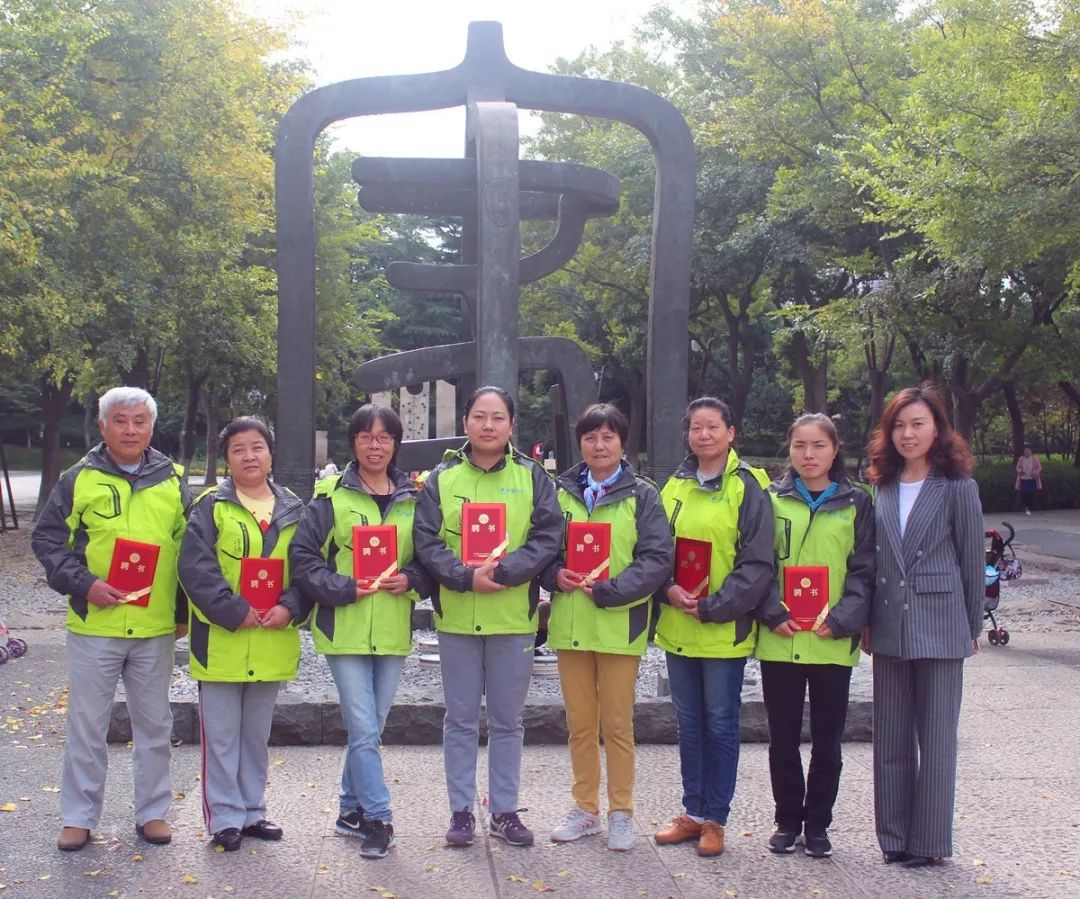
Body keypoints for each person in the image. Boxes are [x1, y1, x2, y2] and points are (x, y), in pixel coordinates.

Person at [31, 387, 190, 851]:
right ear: (103, 426)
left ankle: (154, 812)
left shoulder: (173, 480)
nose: (130, 429)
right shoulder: (78, 479)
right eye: (120, 420)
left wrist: (182, 614)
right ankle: (78, 817)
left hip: (155, 626)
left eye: (139, 421)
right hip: (94, 625)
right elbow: (46, 541)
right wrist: (84, 585)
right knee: (87, 724)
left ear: (151, 427)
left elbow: (190, 552)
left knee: (155, 724)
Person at [413, 386, 562, 850]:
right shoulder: (442, 478)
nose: (489, 426)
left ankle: (504, 810)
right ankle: (461, 811)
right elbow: (427, 541)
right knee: (458, 719)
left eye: (498, 418)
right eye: (480, 417)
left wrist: (508, 571)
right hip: (457, 617)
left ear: (511, 425)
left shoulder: (532, 477)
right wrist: (463, 577)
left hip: (513, 618)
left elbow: (548, 535)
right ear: (466, 423)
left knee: (507, 721)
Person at [291, 404, 431, 860]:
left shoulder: (414, 496)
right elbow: (304, 559)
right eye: (366, 437)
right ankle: (379, 817)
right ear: (352, 442)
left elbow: (429, 561)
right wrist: (345, 588)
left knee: (373, 727)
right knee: (365, 728)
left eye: (384, 437)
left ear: (395, 444)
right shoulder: (330, 497)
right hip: (344, 628)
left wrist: (411, 581)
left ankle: (348, 809)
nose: (375, 445)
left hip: (392, 629)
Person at [539, 404, 673, 851]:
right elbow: (541, 550)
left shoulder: (643, 495)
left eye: (608, 437)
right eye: (591, 437)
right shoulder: (559, 492)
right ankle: (584, 809)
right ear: (580, 443)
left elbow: (656, 559)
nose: (599, 445)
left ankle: (620, 811)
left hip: (620, 624)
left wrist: (610, 591)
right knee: (579, 723)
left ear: (622, 442)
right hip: (571, 623)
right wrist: (554, 575)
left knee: (617, 723)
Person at [865, 384, 984, 868]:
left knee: (936, 741)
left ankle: (930, 843)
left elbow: (972, 561)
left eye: (918, 424)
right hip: (889, 621)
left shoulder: (958, 488)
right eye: (899, 425)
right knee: (890, 737)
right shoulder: (881, 486)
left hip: (942, 624)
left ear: (938, 428)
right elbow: (870, 562)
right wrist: (867, 622)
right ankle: (893, 837)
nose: (908, 434)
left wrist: (971, 627)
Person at [177, 417, 309, 852]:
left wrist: (289, 607)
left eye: (257, 447)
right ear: (227, 458)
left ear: (270, 453)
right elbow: (196, 570)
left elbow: (307, 570)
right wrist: (235, 611)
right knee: (221, 736)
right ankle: (225, 818)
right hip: (222, 642)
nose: (249, 456)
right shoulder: (210, 507)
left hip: (272, 639)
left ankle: (253, 811)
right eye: (238, 449)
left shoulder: (294, 508)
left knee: (255, 735)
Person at [652, 397, 774, 857]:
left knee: (721, 722)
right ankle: (692, 812)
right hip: (679, 624)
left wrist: (715, 607)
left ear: (730, 433)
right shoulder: (675, 486)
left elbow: (757, 563)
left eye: (712, 427)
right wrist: (666, 588)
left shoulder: (748, 487)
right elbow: (657, 547)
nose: (704, 435)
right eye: (696, 428)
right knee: (688, 723)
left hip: (723, 627)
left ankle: (716, 818)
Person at [755, 413, 875, 858]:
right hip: (780, 637)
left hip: (830, 638)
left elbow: (864, 571)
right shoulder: (770, 499)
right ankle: (787, 819)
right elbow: (758, 563)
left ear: (835, 449)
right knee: (782, 737)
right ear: (790, 449)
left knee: (828, 739)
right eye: (800, 446)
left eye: (818, 446)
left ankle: (818, 823)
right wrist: (771, 610)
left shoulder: (856, 502)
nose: (809, 455)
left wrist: (843, 619)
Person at [1014, 445, 1042, 516]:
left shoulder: (1035, 458)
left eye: (1028, 450)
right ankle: (1026, 506)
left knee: (1030, 493)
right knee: (1023, 493)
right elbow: (1017, 467)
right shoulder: (1021, 459)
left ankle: (1029, 508)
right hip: (1023, 479)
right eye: (1025, 451)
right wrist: (1020, 471)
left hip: (1031, 479)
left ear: (1031, 451)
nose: (1026, 452)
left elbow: (1039, 467)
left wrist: (1035, 473)